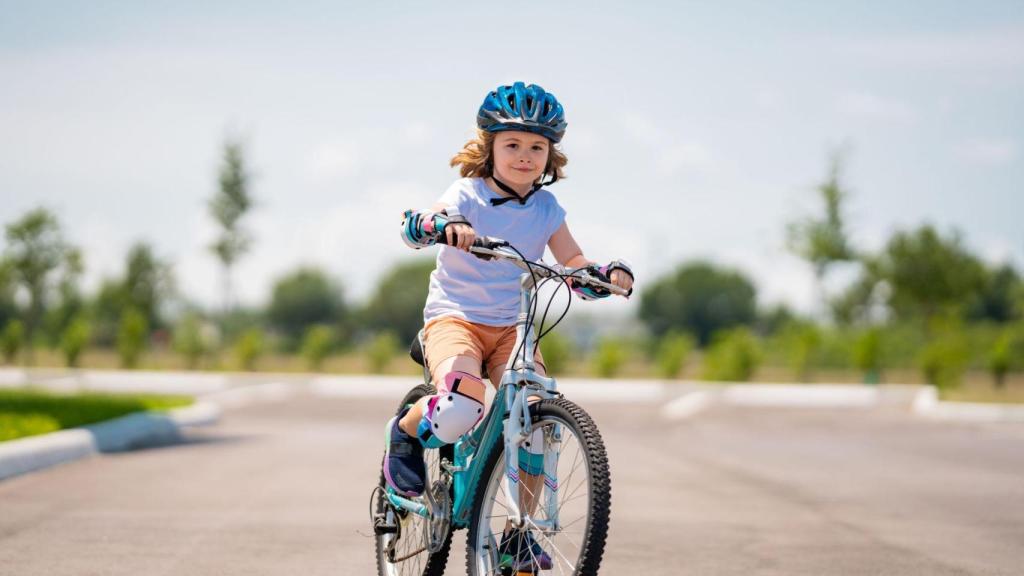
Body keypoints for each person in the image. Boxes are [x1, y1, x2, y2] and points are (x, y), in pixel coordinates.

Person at [384, 81, 634, 571]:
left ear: (550, 155)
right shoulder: (467, 194)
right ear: (490, 147)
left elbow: (572, 260)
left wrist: (601, 276)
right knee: (458, 407)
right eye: (513, 145)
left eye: (537, 147)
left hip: (512, 327)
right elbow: (423, 221)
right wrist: (437, 226)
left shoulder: (547, 209)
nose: (525, 156)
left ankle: (518, 533)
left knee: (537, 422)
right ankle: (407, 433)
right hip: (455, 318)